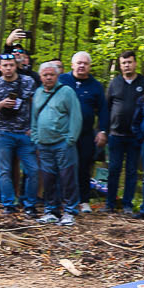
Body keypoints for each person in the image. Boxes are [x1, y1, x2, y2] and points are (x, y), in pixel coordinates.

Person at [28, 60, 83, 224]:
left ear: (57, 75)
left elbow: (76, 116)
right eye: (45, 75)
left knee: (68, 178)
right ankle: (51, 210)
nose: (48, 78)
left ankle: (70, 211)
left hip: (63, 143)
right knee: (48, 179)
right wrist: (35, 137)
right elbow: (34, 117)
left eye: (51, 74)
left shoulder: (66, 92)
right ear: (40, 77)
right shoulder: (38, 93)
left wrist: (70, 139)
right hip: (43, 144)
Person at [0, 52, 36, 215]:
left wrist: (34, 127)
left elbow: (36, 105)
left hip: (25, 133)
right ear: (0, 67)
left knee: (33, 169)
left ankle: (29, 204)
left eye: (11, 65)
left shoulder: (28, 82)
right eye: (5, 66)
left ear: (16, 66)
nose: (8, 68)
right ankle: (8, 203)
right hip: (3, 133)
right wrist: (1, 104)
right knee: (4, 170)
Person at [102, 52, 144, 215]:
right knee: (113, 169)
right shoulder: (115, 83)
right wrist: (104, 130)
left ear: (135, 63)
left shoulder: (143, 82)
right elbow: (106, 108)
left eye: (129, 62)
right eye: (123, 63)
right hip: (116, 135)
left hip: (135, 136)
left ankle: (127, 204)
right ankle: (110, 203)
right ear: (120, 66)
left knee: (132, 171)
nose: (127, 65)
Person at [60, 52, 107, 210]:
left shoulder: (96, 86)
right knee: (64, 166)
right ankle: (64, 199)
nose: (81, 66)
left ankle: (84, 200)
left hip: (85, 133)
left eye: (85, 63)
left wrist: (102, 131)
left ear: (89, 66)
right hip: (64, 132)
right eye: (79, 63)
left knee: (84, 166)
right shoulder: (62, 80)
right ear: (72, 65)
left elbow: (103, 110)